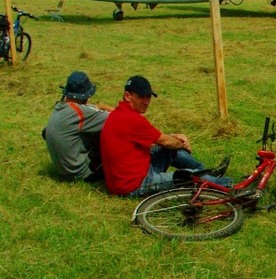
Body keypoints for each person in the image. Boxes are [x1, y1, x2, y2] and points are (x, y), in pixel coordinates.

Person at [100, 75, 232, 197]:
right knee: (185, 176)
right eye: (141, 97)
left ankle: (206, 173)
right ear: (128, 96)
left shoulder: (118, 114)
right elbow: (166, 142)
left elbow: (156, 140)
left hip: (127, 177)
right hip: (135, 185)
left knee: (170, 148)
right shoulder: (132, 120)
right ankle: (231, 186)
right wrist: (181, 142)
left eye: (148, 97)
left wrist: (173, 140)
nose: (146, 102)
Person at [42, 71, 114, 182]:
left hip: (64, 171)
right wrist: (105, 107)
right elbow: (119, 118)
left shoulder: (60, 107)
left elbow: (93, 108)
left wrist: (99, 106)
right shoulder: (80, 113)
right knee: (114, 132)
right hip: (82, 174)